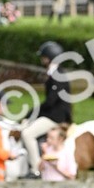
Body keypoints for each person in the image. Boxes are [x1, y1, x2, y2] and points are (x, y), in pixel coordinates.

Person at [21, 42, 73, 176]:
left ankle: (36, 168)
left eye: (44, 57)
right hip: (52, 113)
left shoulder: (57, 75)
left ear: (50, 57)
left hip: (56, 116)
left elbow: (50, 102)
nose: (42, 60)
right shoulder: (54, 73)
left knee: (27, 134)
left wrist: (32, 113)